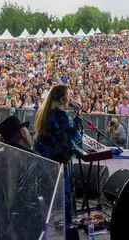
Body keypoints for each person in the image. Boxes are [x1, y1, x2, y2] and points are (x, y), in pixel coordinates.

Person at [33, 84, 82, 224]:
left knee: (46, 191)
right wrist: (77, 121)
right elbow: (70, 139)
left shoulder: (44, 111)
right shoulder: (62, 114)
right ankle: (66, 224)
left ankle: (43, 221)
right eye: (68, 96)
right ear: (63, 98)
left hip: (43, 157)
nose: (69, 99)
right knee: (61, 191)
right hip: (58, 160)